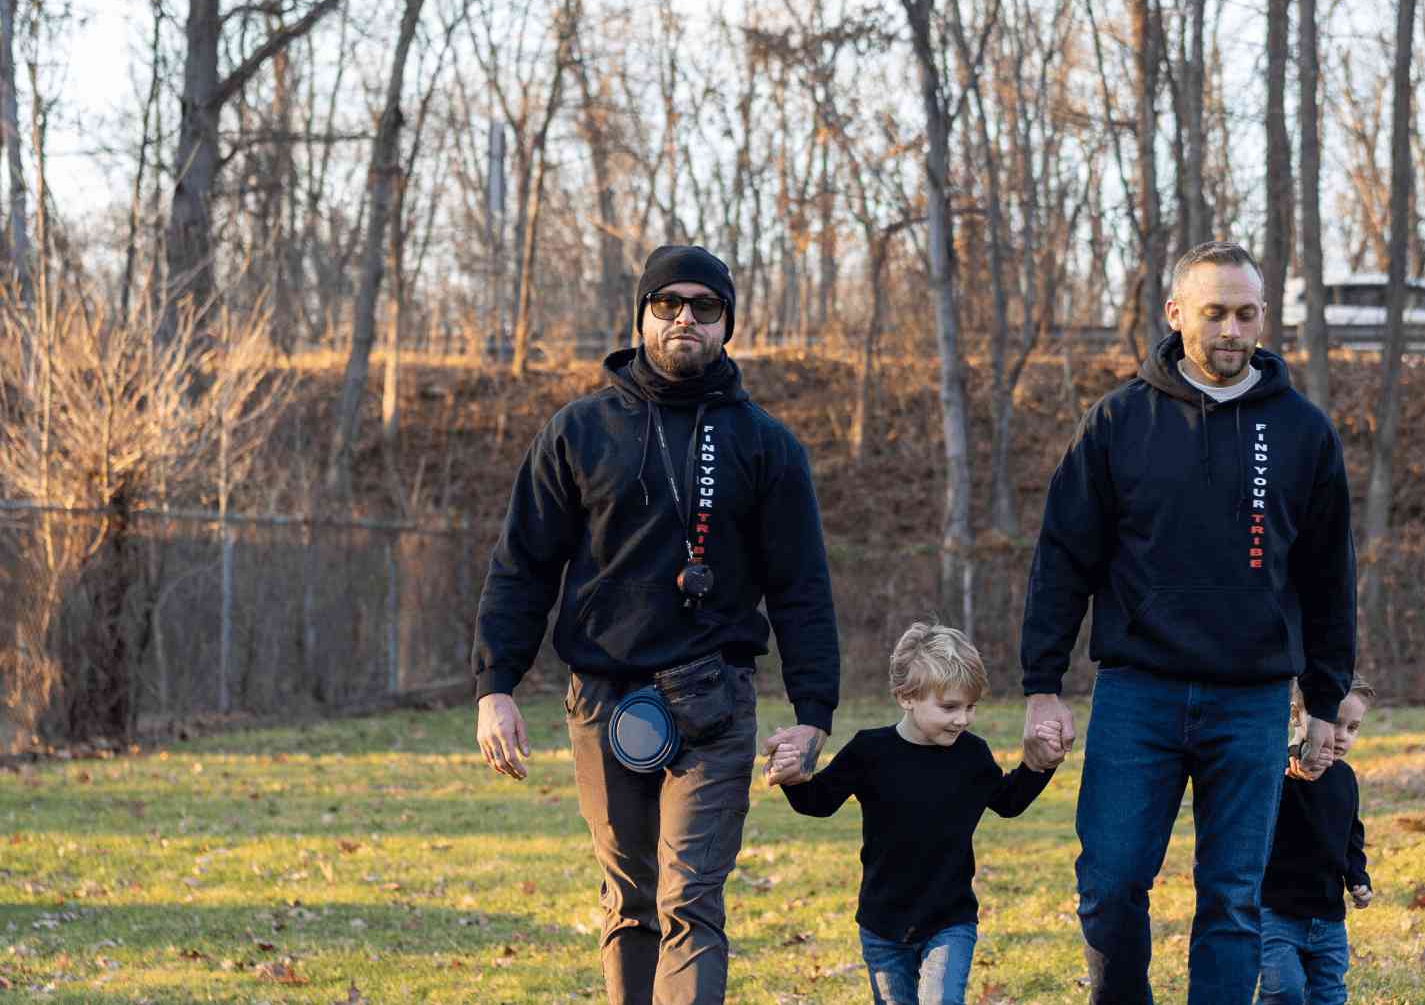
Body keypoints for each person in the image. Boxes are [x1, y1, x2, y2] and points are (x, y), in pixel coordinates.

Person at [470, 243, 841, 1005]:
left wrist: (814, 714)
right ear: (640, 314)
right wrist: (494, 685)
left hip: (716, 701)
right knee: (630, 903)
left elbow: (801, 587)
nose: (684, 319)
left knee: (691, 900)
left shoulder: (765, 445)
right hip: (602, 699)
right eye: (667, 304)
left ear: (727, 325)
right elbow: (523, 564)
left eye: (705, 307)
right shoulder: (577, 431)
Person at [1018, 239, 1357, 1003]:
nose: (1231, 330)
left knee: (1233, 902)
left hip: (1254, 700)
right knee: (1107, 886)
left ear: (1264, 318)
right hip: (1140, 693)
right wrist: (1043, 682)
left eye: (1246, 314)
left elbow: (1330, 578)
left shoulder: (1304, 432)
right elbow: (1062, 558)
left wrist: (1327, 701)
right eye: (1215, 313)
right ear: (1176, 314)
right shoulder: (1116, 423)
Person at [767, 622, 1065, 1005]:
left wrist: (1039, 765)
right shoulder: (868, 751)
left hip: (950, 921)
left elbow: (1008, 802)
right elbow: (818, 802)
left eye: (970, 706)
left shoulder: (972, 755)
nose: (963, 719)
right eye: (950, 707)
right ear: (906, 697)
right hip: (882, 927)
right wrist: (792, 777)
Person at [1257, 679, 1376, 1005]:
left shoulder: (1345, 778)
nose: (1341, 735)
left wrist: (1358, 878)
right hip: (1278, 911)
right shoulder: (1279, 770)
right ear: (1297, 715)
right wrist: (1292, 758)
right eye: (1334, 722)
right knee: (1284, 990)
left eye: (1352, 727)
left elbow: (1351, 836)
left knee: (1329, 995)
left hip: (1328, 917)